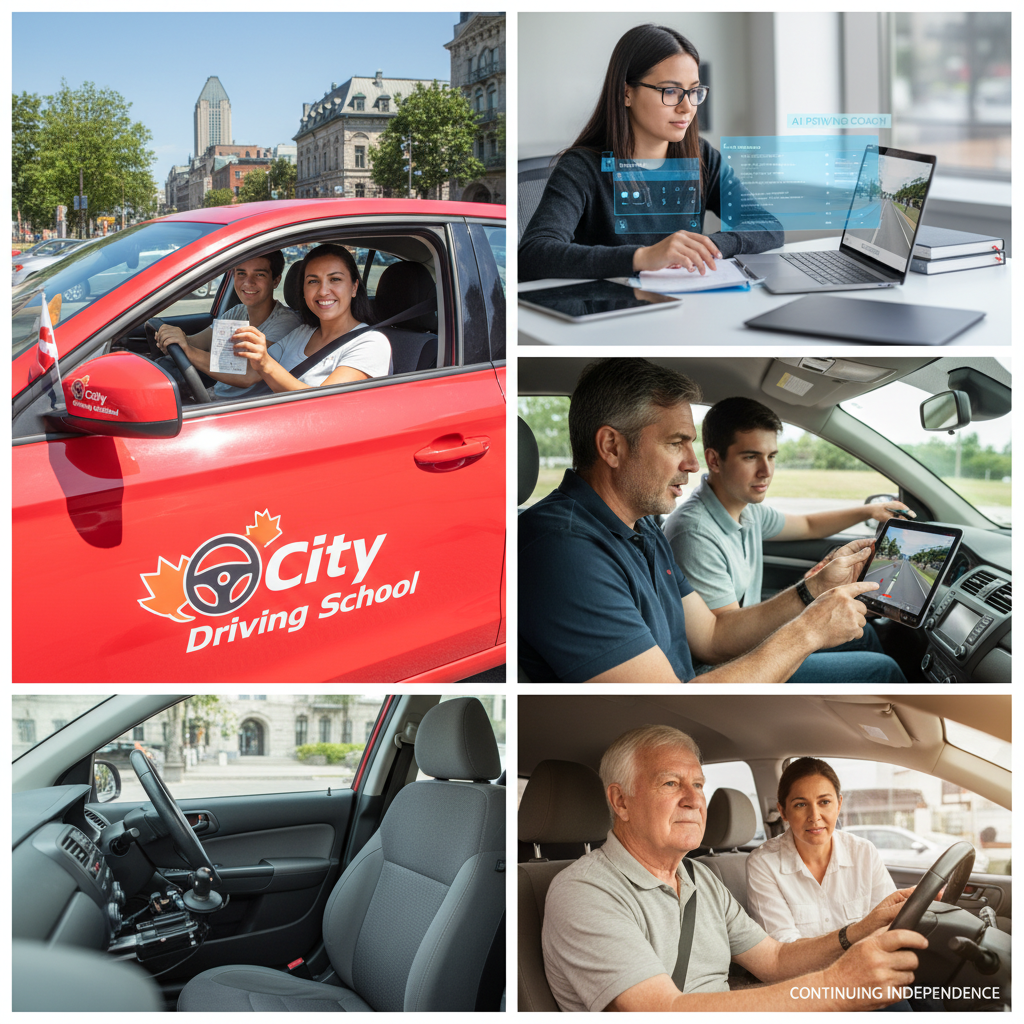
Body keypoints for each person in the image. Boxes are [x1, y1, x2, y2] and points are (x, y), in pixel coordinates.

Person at [518, 358, 905, 683]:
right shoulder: (562, 549)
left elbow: (713, 635)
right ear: (612, 447)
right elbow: (661, 702)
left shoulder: (644, 527)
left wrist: (813, 587)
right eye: (676, 443)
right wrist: (809, 629)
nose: (693, 463)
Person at [542, 725, 925, 1011]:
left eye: (698, 784)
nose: (694, 800)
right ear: (621, 802)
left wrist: (862, 929)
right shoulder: (583, 892)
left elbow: (774, 960)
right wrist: (837, 984)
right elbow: (664, 1010)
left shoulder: (701, 880)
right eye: (671, 783)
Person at [664, 397, 913, 680]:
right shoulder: (694, 532)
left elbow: (807, 525)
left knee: (863, 633)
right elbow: (721, 641)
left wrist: (869, 510)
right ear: (714, 460)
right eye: (750, 456)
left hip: (749, 644)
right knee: (883, 670)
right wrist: (811, 591)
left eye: (771, 457)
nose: (766, 471)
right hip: (730, 668)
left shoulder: (748, 510)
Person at [519, 23, 784, 282]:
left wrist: (706, 246)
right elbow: (533, 254)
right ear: (626, 93)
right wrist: (643, 257)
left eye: (694, 92)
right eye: (670, 91)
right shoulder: (582, 167)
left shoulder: (702, 156)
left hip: (688, 310)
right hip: (611, 314)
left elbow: (768, 225)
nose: (687, 108)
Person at [158, 244, 391, 393]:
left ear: (354, 287)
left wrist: (263, 361)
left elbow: (322, 406)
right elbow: (254, 372)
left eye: (335, 280)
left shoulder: (371, 344)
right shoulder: (303, 333)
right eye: (313, 281)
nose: (322, 291)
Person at [745, 758, 897, 942]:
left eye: (824, 802)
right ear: (783, 811)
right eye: (800, 804)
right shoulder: (763, 864)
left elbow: (887, 924)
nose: (815, 817)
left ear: (839, 804)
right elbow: (783, 948)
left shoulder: (864, 853)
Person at [155, 251, 300, 400]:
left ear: (275, 281)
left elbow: (250, 373)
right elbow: (196, 342)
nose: (248, 282)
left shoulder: (286, 322)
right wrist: (175, 338)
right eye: (241, 273)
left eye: (259, 275)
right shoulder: (236, 312)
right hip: (215, 396)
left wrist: (188, 351)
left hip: (239, 409)